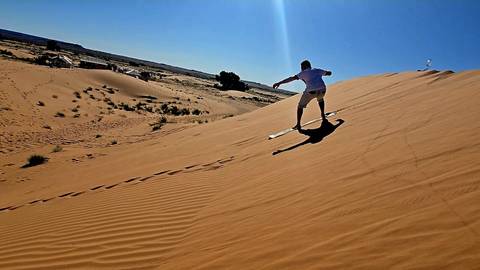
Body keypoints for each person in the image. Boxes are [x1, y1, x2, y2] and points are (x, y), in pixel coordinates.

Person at [273, 60, 332, 131]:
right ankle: (323, 115)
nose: (300, 68)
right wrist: (327, 72)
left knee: (300, 106)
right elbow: (329, 73)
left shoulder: (303, 73)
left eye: (301, 67)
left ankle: (298, 124)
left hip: (311, 91)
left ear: (303, 67)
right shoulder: (317, 70)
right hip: (323, 90)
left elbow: (291, 78)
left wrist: (279, 83)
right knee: (320, 99)